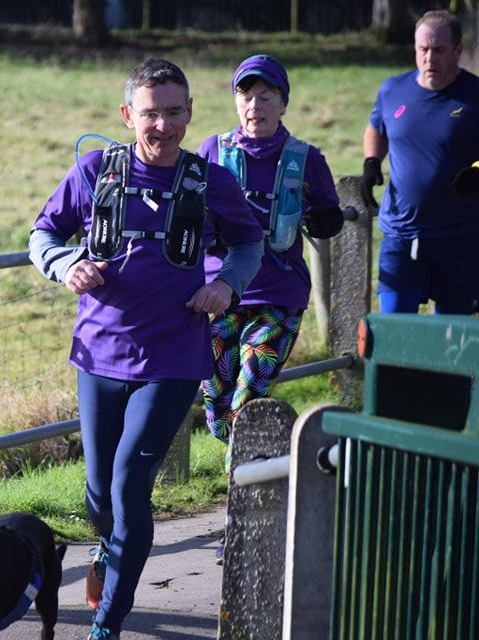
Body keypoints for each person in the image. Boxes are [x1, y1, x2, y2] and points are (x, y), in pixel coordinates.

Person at [28, 58, 263, 640]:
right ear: (128, 115)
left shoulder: (211, 181)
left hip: (173, 357)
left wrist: (226, 284)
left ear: (190, 113)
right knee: (99, 492)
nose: (163, 126)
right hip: (98, 354)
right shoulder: (92, 172)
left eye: (175, 112)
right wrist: (66, 265)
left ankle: (108, 620)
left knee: (131, 484)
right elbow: (42, 234)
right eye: (151, 113)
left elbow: (249, 240)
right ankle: (110, 547)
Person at [196, 54, 343, 539]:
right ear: (235, 100)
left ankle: (238, 521)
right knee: (217, 411)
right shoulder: (212, 151)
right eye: (245, 95)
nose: (254, 105)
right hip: (221, 294)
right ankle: (275, 472)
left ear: (282, 102)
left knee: (246, 402)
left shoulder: (306, 159)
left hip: (279, 295)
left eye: (265, 96)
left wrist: (327, 219)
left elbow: (328, 212)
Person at [361, 9, 479, 315]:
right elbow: (377, 127)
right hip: (401, 235)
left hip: (460, 238)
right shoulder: (392, 90)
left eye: (439, 50)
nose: (429, 59)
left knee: (452, 342)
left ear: (457, 50)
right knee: (394, 332)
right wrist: (372, 162)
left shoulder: (475, 95)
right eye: (423, 50)